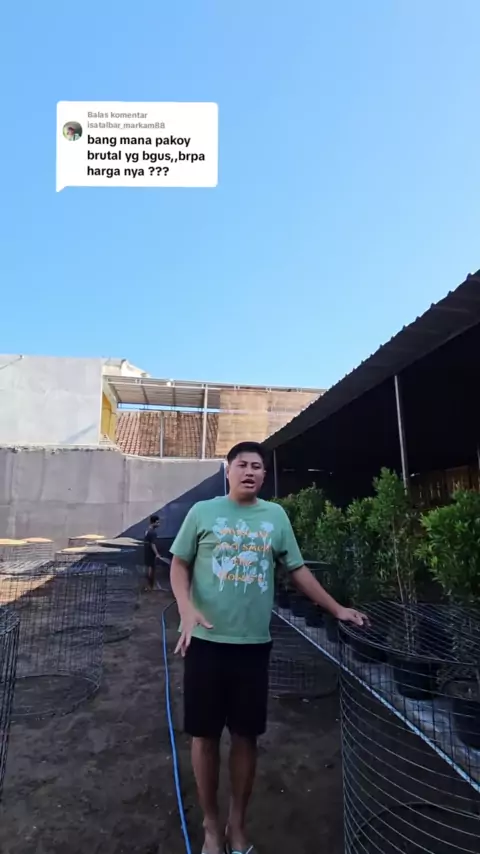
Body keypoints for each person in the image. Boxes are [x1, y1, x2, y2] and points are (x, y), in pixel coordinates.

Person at [170, 441, 367, 854]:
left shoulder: (275, 516)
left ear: (264, 475)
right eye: (242, 464)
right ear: (227, 470)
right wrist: (185, 609)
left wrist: (336, 608)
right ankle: (211, 825)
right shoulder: (202, 512)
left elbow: (297, 570)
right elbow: (179, 563)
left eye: (257, 466)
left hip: (253, 646)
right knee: (204, 736)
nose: (250, 471)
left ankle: (237, 826)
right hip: (205, 643)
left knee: (246, 737)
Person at [144, 514, 161, 590]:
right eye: (157, 522)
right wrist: (157, 554)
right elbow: (152, 544)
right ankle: (150, 586)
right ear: (153, 522)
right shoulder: (153, 533)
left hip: (147, 552)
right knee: (151, 569)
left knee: (149, 568)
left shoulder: (147, 530)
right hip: (151, 553)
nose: (159, 524)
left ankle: (149, 585)